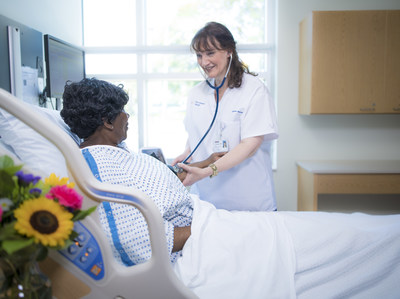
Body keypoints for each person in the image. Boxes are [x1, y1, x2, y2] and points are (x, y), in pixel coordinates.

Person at [61, 78, 400, 299]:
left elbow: (151, 199)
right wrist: (208, 227)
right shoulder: (96, 170)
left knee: (337, 228)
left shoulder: (112, 157)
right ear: (107, 121)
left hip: (213, 221)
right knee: (346, 234)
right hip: (205, 239)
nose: (127, 117)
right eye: (122, 112)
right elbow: (138, 241)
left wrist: (201, 165)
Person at [173, 22, 279, 211]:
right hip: (207, 202)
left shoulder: (254, 90)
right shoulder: (196, 94)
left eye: (210, 53)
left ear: (229, 50)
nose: (204, 61)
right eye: (199, 55)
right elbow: (197, 134)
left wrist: (207, 171)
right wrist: (185, 155)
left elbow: (250, 146)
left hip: (249, 201)